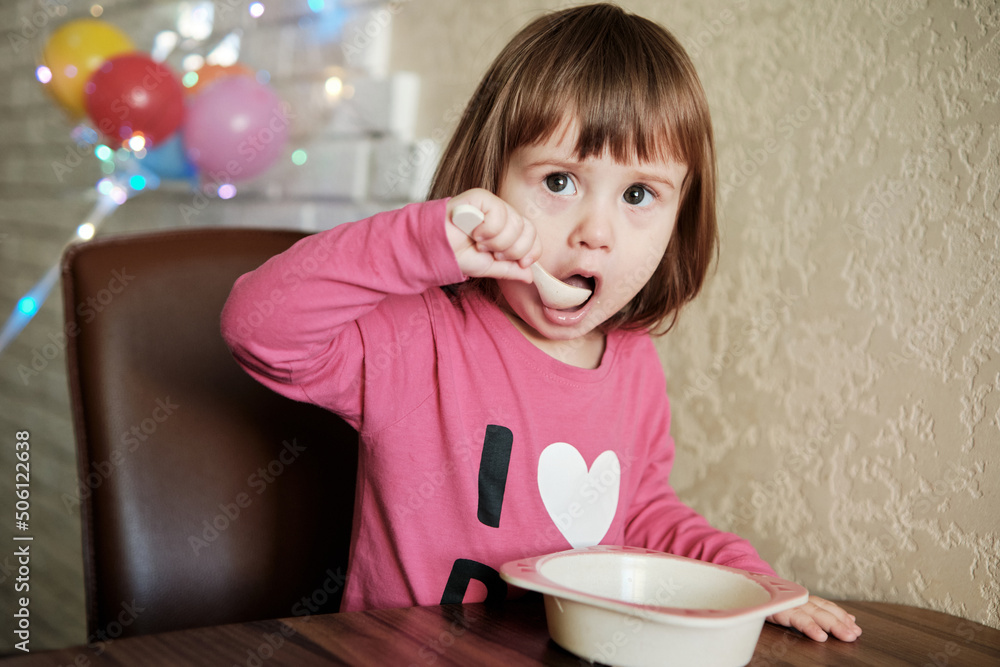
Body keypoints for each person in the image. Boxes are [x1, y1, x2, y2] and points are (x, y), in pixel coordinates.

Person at [222, 3, 861, 643]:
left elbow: (640, 513)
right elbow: (258, 326)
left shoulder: (634, 362)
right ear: (490, 179)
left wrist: (747, 579)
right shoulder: (421, 336)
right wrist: (424, 240)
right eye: (559, 180)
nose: (595, 234)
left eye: (638, 195)